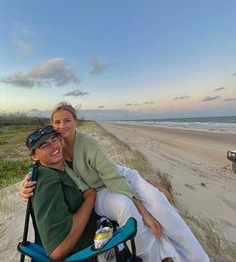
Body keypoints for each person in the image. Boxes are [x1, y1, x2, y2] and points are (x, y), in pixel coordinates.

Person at [21, 102, 209, 262]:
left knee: (159, 205)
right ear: (52, 125)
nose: (62, 126)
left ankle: (198, 258)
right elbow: (43, 164)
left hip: (118, 177)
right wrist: (25, 186)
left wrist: (146, 214)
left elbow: (114, 178)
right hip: (102, 189)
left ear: (76, 122)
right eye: (57, 122)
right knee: (132, 206)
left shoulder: (85, 144)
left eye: (67, 120)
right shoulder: (56, 148)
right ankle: (161, 254)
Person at [25, 126, 98, 261]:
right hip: (85, 251)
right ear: (34, 156)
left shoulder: (64, 167)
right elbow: (58, 250)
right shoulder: (47, 179)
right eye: (44, 145)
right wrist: (90, 198)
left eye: (54, 139)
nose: (54, 147)